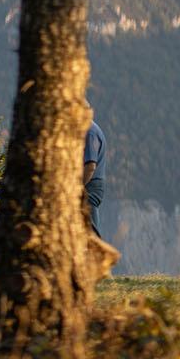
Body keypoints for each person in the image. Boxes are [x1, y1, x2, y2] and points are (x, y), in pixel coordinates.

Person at [81, 105, 120, 279]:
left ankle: (102, 267)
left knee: (88, 223)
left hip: (90, 183)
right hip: (90, 182)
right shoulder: (89, 129)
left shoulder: (90, 133)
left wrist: (76, 185)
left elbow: (90, 166)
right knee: (85, 223)